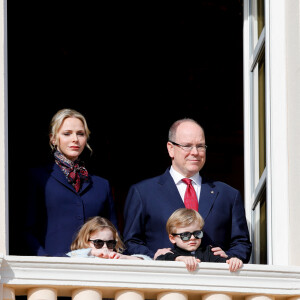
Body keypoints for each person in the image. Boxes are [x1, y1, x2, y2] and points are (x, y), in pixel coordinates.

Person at [123, 118, 252, 262]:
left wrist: (229, 258)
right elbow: (130, 242)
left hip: (213, 280)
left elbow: (242, 244)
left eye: (200, 146)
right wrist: (155, 256)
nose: (195, 152)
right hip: (163, 279)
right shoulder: (143, 192)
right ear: (171, 148)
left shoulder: (228, 195)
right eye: (187, 146)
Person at [25, 108, 118, 257]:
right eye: (67, 134)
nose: (75, 139)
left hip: (95, 269)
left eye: (80, 134)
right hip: (50, 269)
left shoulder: (101, 185)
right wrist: (46, 262)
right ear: (53, 139)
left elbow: (114, 234)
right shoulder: (39, 178)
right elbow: (26, 230)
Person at [155, 208, 243, 272]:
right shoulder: (171, 254)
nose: (192, 238)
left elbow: (223, 261)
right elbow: (159, 260)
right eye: (185, 235)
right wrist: (179, 259)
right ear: (172, 238)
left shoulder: (208, 252)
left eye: (197, 233)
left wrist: (232, 260)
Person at [67, 216, 151, 260]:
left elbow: (147, 261)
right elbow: (68, 257)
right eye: (98, 243)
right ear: (86, 241)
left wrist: (124, 257)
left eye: (110, 243)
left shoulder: (114, 257)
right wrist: (91, 252)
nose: (105, 247)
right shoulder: (80, 256)